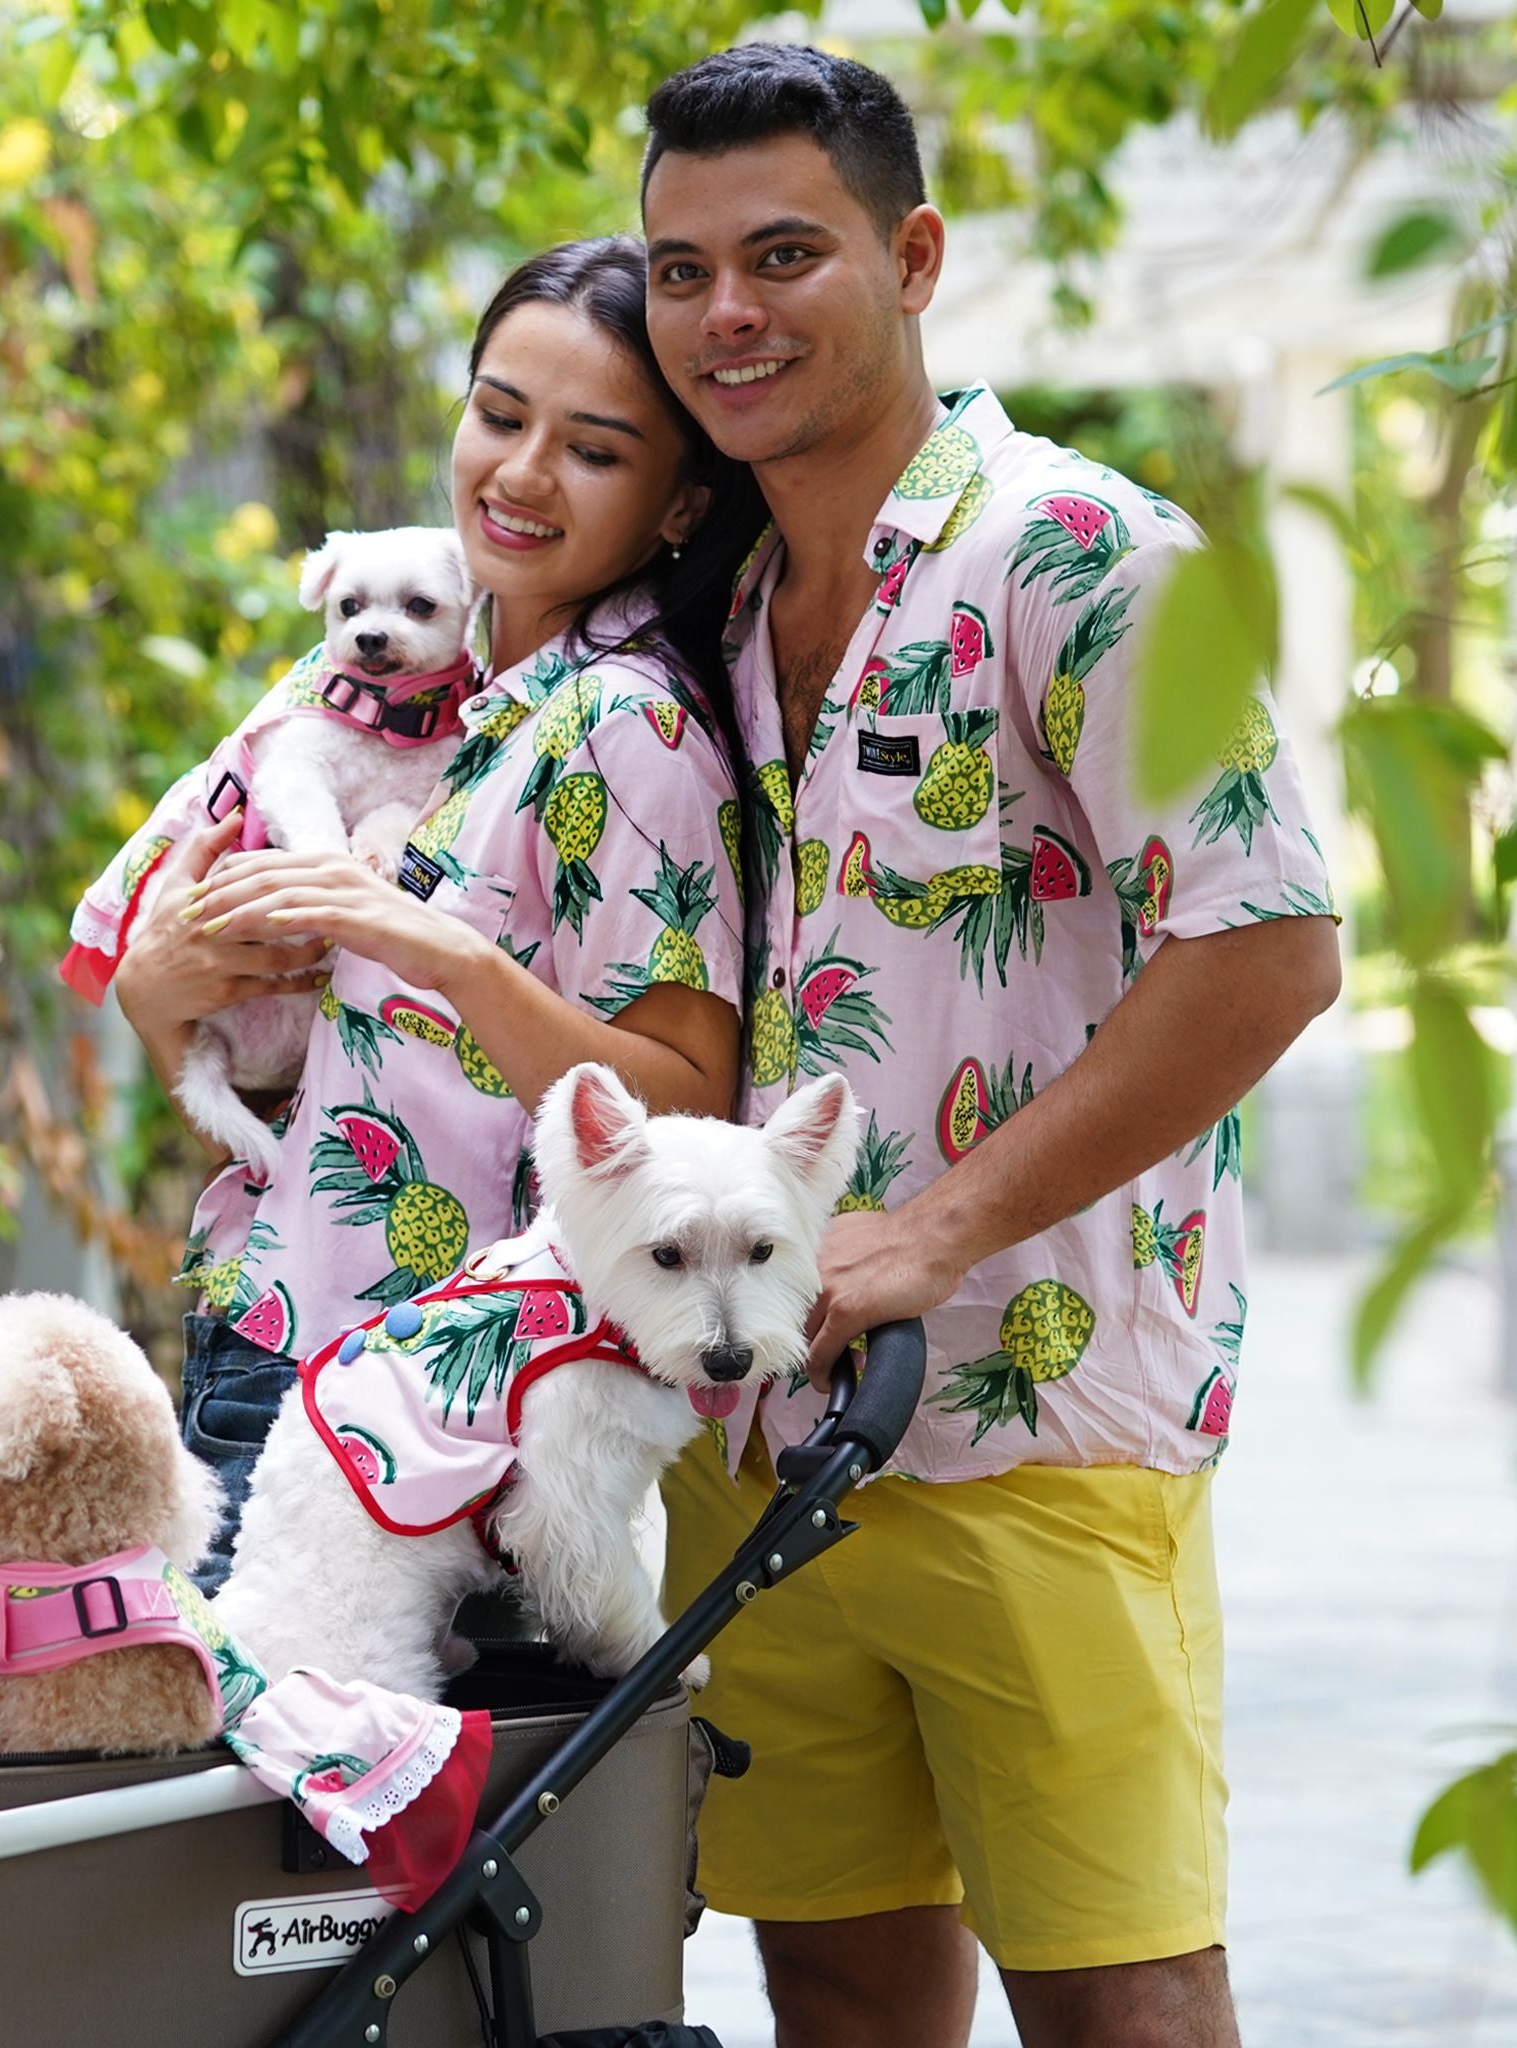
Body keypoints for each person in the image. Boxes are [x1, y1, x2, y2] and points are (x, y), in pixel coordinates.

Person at [640, 46, 1341, 2048]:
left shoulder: (1082, 552)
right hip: (754, 1436)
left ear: (915, 256)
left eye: (784, 255)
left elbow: (1270, 944)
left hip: (1041, 1429)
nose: (727, 314)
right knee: (838, 1995)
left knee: (1125, 2005)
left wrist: (934, 1233)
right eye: (682, 272)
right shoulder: (712, 599)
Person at [101, 238, 768, 1587]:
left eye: (592, 449)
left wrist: (440, 948)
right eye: (499, 415)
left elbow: (686, 1107)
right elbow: (280, 1045)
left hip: (446, 1408)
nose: (520, 474)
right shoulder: (399, 689)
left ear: (681, 501)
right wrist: (156, 988)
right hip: (279, 1330)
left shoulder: (626, 728)